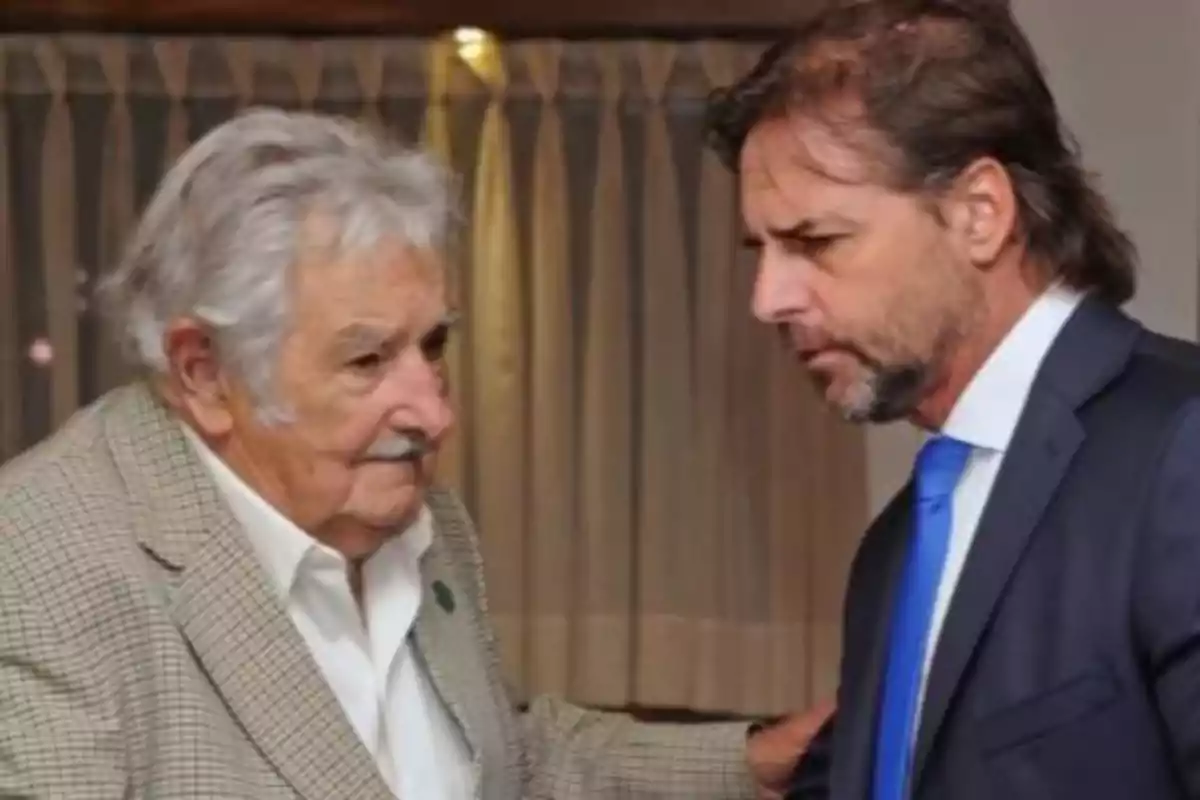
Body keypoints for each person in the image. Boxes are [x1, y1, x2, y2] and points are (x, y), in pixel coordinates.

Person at [0, 108, 828, 799]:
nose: (434, 413)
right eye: (366, 361)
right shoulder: (35, 572)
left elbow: (496, 756)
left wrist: (752, 757)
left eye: (432, 347)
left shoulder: (412, 518)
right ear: (205, 374)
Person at [705, 1, 1200, 798]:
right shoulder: (896, 547)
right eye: (759, 251)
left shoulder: (1182, 451)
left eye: (816, 242)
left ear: (980, 214)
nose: (769, 298)